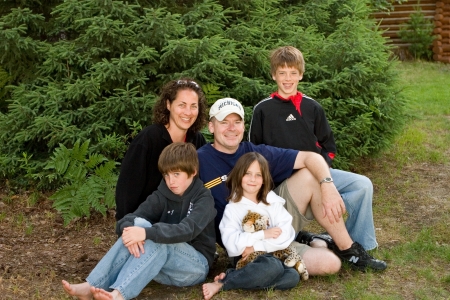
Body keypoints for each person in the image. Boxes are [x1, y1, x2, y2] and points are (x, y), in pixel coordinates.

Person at [198, 97, 386, 272]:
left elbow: (310, 157)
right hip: (245, 245)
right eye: (224, 122)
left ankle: (348, 250)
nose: (231, 128)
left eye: (237, 122)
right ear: (211, 127)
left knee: (308, 176)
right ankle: (314, 241)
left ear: (243, 125)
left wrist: (327, 186)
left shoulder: (255, 153)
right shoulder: (200, 160)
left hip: (275, 229)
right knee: (330, 265)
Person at [248, 46, 380, 252]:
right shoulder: (262, 109)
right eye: (282, 73)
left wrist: (322, 173)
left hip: (318, 173)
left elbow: (329, 147)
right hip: (286, 184)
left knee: (363, 185)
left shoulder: (312, 108)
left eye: (293, 72)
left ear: (301, 74)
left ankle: (360, 244)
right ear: (273, 75)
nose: (288, 78)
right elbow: (253, 155)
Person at [62, 143, 217, 300]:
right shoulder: (162, 194)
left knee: (154, 236)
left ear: (193, 172)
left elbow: (187, 230)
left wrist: (145, 233)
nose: (171, 181)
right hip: (158, 266)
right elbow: (128, 219)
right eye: (166, 175)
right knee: (138, 225)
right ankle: (92, 285)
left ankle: (119, 294)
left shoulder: (203, 198)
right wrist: (133, 231)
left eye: (176, 174)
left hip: (194, 267)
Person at [202, 152, 303, 300]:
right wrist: (262, 234)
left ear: (264, 179)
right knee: (272, 267)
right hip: (245, 259)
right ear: (239, 176)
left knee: (292, 276)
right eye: (247, 174)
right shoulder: (233, 208)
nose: (252, 179)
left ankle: (237, 277)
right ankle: (223, 283)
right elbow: (231, 244)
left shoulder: (272, 201)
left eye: (258, 175)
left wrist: (255, 247)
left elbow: (285, 234)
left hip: (271, 254)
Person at [115, 78, 207, 221]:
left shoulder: (197, 140)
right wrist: (127, 226)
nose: (188, 112)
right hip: (145, 223)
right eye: (182, 105)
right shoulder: (148, 140)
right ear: (168, 105)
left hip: (182, 224)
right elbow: (126, 191)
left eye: (193, 106)